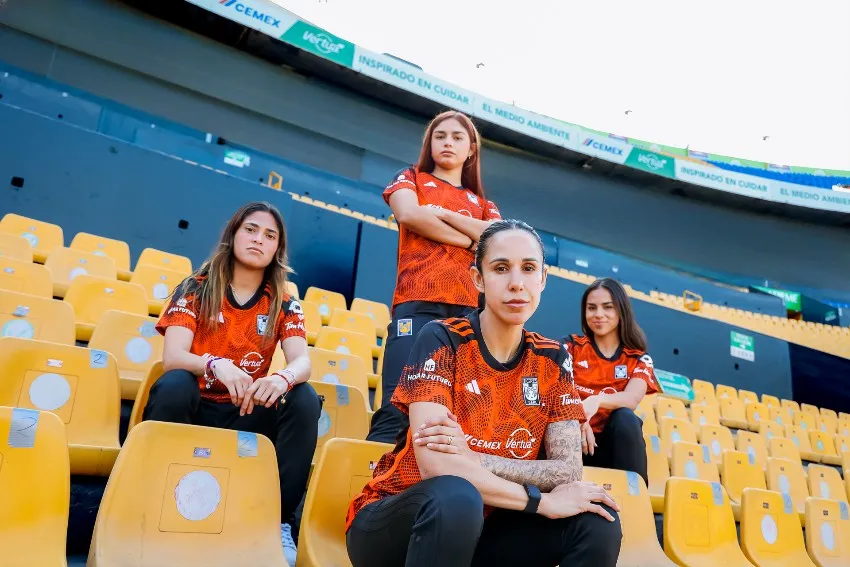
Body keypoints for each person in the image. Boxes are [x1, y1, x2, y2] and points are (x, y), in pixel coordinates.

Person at [347, 219, 621, 567]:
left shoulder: (553, 359)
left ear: (543, 279)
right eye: (501, 268)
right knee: (456, 495)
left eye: (528, 269)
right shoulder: (441, 338)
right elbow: (440, 468)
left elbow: (567, 472)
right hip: (399, 520)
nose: (516, 283)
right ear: (478, 278)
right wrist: (539, 502)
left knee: (596, 520)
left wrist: (474, 459)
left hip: (489, 527)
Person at [143, 201, 321, 566]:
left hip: (245, 415)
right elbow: (173, 356)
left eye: (269, 235)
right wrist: (214, 364)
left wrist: (283, 377)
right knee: (175, 383)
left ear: (277, 249)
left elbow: (303, 361)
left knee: (304, 399)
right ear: (234, 235)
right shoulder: (197, 286)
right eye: (251, 230)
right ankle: (149, 505)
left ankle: (278, 523)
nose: (259, 239)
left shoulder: (285, 301)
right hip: (197, 408)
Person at [368, 111, 502, 444]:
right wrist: (466, 240)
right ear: (430, 143)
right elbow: (409, 214)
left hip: (465, 315)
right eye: (440, 136)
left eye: (457, 137)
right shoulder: (410, 177)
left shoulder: (484, 204)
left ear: (471, 149)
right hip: (415, 305)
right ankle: (370, 490)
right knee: (396, 406)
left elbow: (496, 234)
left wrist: (441, 213)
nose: (447, 143)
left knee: (454, 414)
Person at [563, 277, 658, 485]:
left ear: (621, 311)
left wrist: (595, 401)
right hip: (571, 442)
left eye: (608, 307)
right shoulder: (570, 347)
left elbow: (632, 398)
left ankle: (635, 496)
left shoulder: (638, 359)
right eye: (591, 308)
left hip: (610, 450)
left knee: (626, 417)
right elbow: (557, 389)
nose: (598, 314)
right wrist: (579, 416)